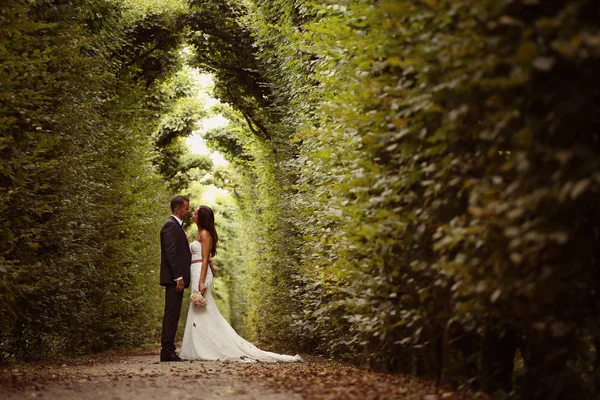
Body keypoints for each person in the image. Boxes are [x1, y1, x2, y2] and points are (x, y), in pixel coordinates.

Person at [180, 205, 302, 362]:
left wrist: (202, 281)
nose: (192, 213)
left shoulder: (205, 233)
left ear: (201, 217)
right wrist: (187, 241)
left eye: (195, 212)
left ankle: (207, 347)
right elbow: (200, 255)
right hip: (196, 270)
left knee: (202, 309)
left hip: (201, 274)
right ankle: (198, 347)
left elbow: (204, 259)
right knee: (198, 310)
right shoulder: (199, 233)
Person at [159, 195, 191, 362]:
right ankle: (167, 351)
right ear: (178, 209)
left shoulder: (176, 227)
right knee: (171, 314)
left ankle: (168, 349)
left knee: (173, 313)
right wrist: (178, 277)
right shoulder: (170, 227)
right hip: (174, 279)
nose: (189, 211)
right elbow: (171, 254)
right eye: (186, 208)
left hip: (176, 278)